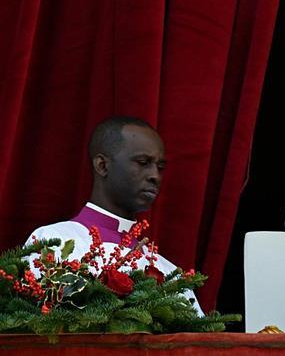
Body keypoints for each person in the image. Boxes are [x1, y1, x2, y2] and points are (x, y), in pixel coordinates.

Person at [26, 116, 201, 313]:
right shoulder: (53, 241)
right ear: (102, 165)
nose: (155, 176)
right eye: (143, 162)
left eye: (160, 167)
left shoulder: (169, 272)